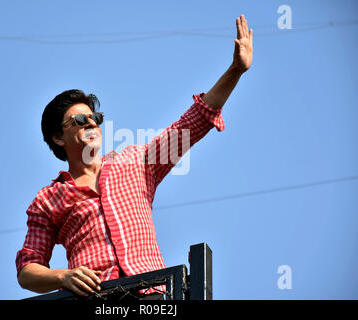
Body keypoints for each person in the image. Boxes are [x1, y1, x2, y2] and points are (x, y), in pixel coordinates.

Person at [16, 14, 253, 297]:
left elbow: (191, 124)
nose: (92, 123)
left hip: (152, 297)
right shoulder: (48, 199)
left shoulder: (135, 163)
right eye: (80, 120)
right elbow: (28, 270)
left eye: (96, 117)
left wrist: (235, 70)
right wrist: (63, 276)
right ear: (58, 137)